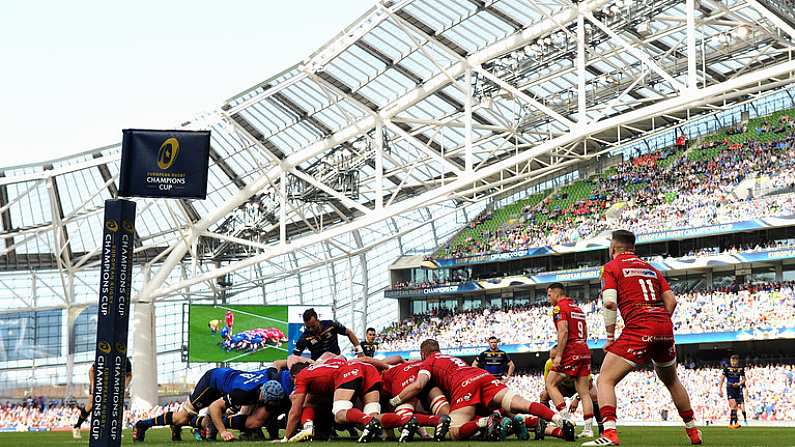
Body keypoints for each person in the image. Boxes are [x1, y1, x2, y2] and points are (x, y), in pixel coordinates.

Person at [584, 230, 702, 446]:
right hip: (664, 326)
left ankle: (609, 434)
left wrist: (610, 337)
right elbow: (672, 301)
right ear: (633, 247)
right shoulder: (651, 269)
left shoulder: (611, 267)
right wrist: (660, 324)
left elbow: (609, 302)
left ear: (614, 248)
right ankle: (693, 431)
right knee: (672, 380)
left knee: (605, 379)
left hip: (639, 325)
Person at [388, 339, 575, 441]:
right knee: (522, 405)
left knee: (454, 430)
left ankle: (485, 422)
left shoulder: (429, 361)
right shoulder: (451, 357)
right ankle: (560, 422)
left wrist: (395, 400)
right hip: (484, 376)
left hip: (465, 384)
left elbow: (419, 385)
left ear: (423, 353)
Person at [132, 367, 281, 442]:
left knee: (211, 427)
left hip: (226, 381)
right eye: (267, 402)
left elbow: (277, 364)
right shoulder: (244, 392)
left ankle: (191, 426)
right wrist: (223, 432)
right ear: (262, 394)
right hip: (212, 382)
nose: (266, 405)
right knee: (182, 418)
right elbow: (214, 407)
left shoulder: (268, 377)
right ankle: (142, 425)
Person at [545, 283, 595, 438]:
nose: (548, 298)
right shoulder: (578, 309)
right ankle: (588, 429)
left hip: (571, 350)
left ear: (555, 293)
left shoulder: (559, 308)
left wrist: (559, 355)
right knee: (584, 392)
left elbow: (564, 331)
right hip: (583, 349)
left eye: (548, 295)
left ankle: (565, 421)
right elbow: (585, 332)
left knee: (550, 383)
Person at [540, 346, 602, 437]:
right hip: (563, 388)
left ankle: (598, 428)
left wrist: (577, 398)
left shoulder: (575, 362)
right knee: (544, 395)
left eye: (555, 357)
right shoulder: (549, 364)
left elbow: (588, 384)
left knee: (593, 393)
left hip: (578, 386)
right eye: (551, 358)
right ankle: (544, 425)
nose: (553, 361)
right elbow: (548, 387)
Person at [72, 356, 133, 440]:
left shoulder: (125, 360)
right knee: (91, 405)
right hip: (98, 384)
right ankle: (77, 426)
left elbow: (129, 375)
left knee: (112, 407)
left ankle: (111, 432)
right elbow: (91, 370)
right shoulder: (105, 357)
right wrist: (93, 387)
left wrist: (124, 386)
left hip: (113, 386)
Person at [292, 308, 364, 360]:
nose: (311, 329)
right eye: (308, 327)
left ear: (318, 320)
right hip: (318, 365)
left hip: (336, 360)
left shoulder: (331, 325)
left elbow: (349, 333)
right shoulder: (304, 337)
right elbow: (294, 357)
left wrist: (360, 351)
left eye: (313, 326)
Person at [719, 354, 747, 428]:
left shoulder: (740, 369)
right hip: (730, 388)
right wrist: (720, 389)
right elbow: (722, 379)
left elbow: (744, 379)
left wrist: (739, 383)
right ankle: (734, 423)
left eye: (734, 361)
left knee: (735, 407)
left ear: (737, 361)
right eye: (732, 361)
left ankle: (732, 423)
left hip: (737, 388)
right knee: (733, 405)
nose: (733, 363)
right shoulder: (727, 368)